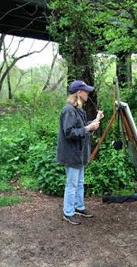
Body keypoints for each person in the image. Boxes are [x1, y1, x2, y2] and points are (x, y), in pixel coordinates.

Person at [57, 80, 103, 225]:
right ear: (78, 92)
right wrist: (89, 129)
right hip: (71, 154)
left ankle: (79, 207)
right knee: (72, 184)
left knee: (80, 182)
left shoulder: (78, 110)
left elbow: (82, 127)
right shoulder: (68, 110)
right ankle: (68, 212)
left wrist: (95, 120)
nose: (88, 93)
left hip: (79, 154)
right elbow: (69, 132)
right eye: (86, 91)